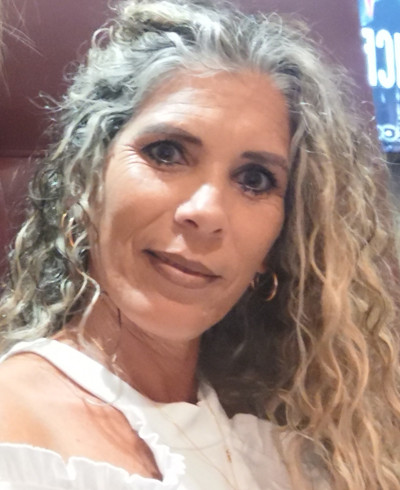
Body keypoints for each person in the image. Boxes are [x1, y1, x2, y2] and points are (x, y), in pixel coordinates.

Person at [0, 0, 399, 488]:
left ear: (279, 241)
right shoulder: (15, 434)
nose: (206, 212)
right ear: (86, 177)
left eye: (254, 179)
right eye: (166, 152)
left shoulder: (302, 450)